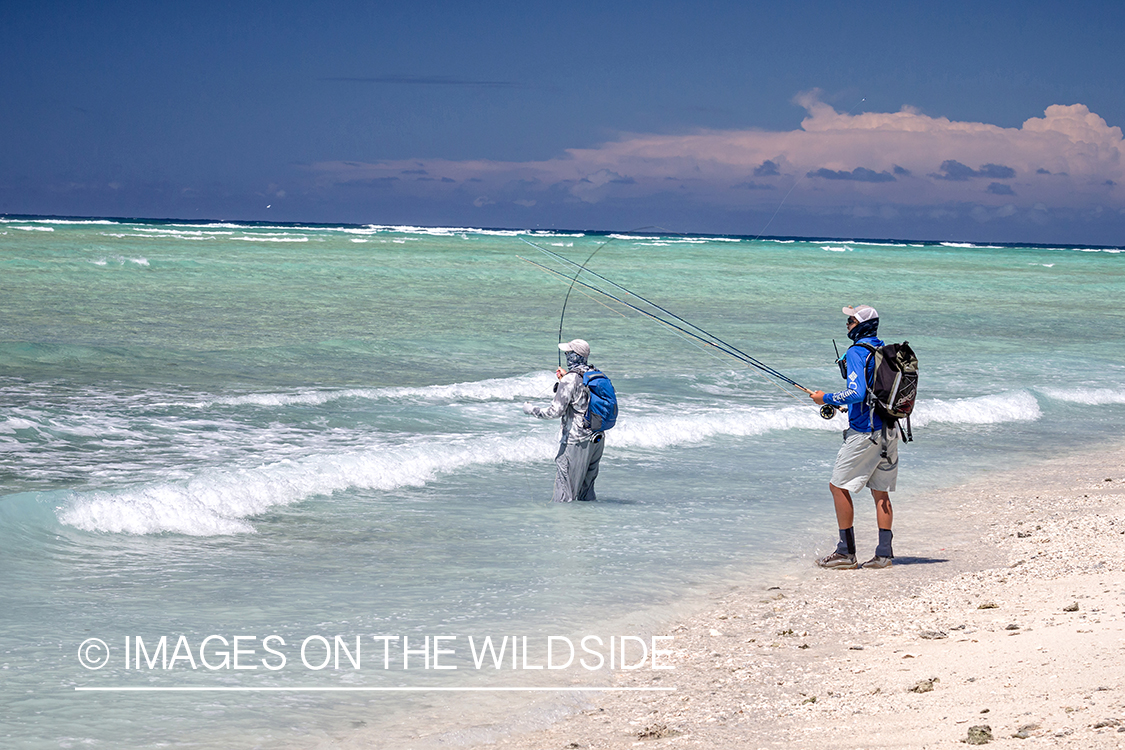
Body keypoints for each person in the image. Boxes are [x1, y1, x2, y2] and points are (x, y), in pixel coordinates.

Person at [809, 305, 898, 570]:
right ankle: (884, 554)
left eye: (851, 320)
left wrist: (824, 398)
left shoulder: (857, 351)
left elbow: (857, 392)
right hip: (889, 429)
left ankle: (845, 553)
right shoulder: (883, 350)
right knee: (880, 492)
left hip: (865, 433)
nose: (847, 324)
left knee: (838, 486)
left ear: (861, 326)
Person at [523, 339, 605, 503]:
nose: (567, 356)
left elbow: (554, 412)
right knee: (586, 491)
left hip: (575, 441)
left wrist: (531, 410)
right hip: (597, 438)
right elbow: (583, 399)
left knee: (564, 491)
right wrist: (565, 379)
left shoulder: (571, 379)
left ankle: (562, 525)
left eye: (568, 353)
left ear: (576, 355)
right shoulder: (596, 374)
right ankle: (589, 524)